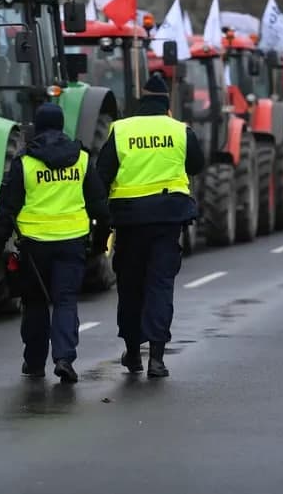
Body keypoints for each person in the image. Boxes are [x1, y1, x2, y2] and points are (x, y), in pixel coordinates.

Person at [0, 103, 111, 384]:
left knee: (35, 303)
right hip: (72, 245)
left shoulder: (25, 162)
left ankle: (33, 363)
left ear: (38, 127)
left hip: (33, 248)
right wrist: (101, 241)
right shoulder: (81, 159)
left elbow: (7, 209)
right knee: (65, 301)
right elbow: (100, 207)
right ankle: (64, 358)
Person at [97, 74, 204, 378]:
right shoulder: (180, 130)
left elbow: (102, 174)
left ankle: (132, 354)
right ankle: (157, 358)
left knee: (130, 287)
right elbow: (196, 164)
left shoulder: (122, 130)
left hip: (130, 221)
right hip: (168, 219)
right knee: (160, 286)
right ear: (166, 104)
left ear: (141, 101)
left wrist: (100, 223)